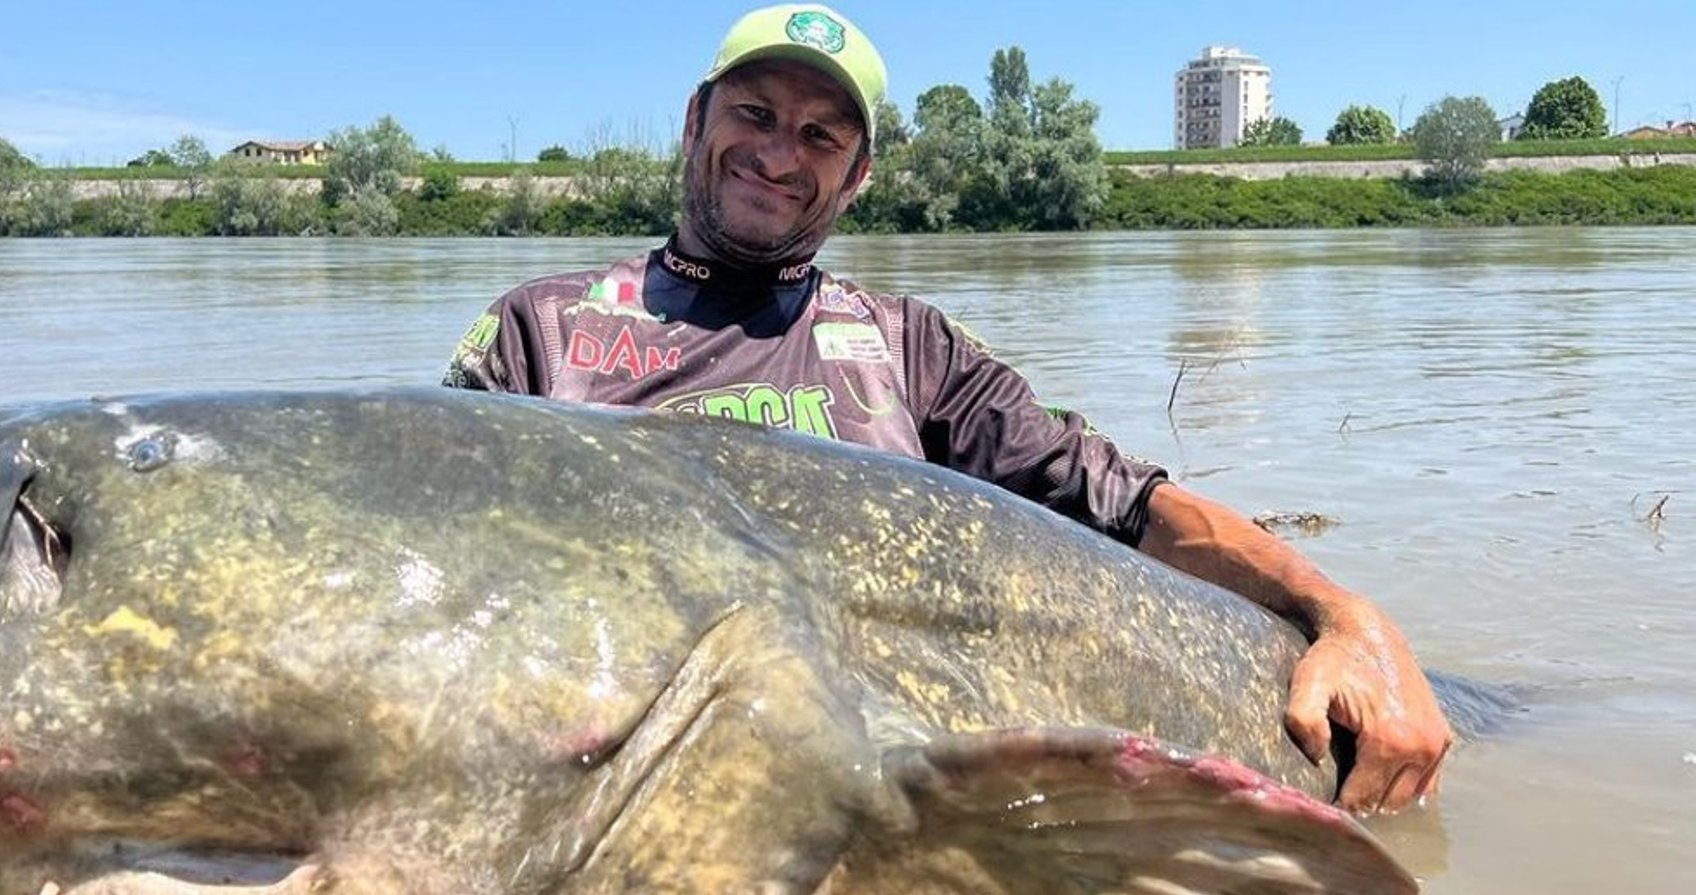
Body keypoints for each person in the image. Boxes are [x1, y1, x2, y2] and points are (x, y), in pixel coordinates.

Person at [443, 3, 1451, 814]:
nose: (779, 153)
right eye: (753, 114)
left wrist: (1343, 614)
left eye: (819, 134)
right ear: (695, 119)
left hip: (879, 800)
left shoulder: (910, 347)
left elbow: (1126, 506)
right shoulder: (539, 331)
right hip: (622, 793)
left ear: (857, 173)